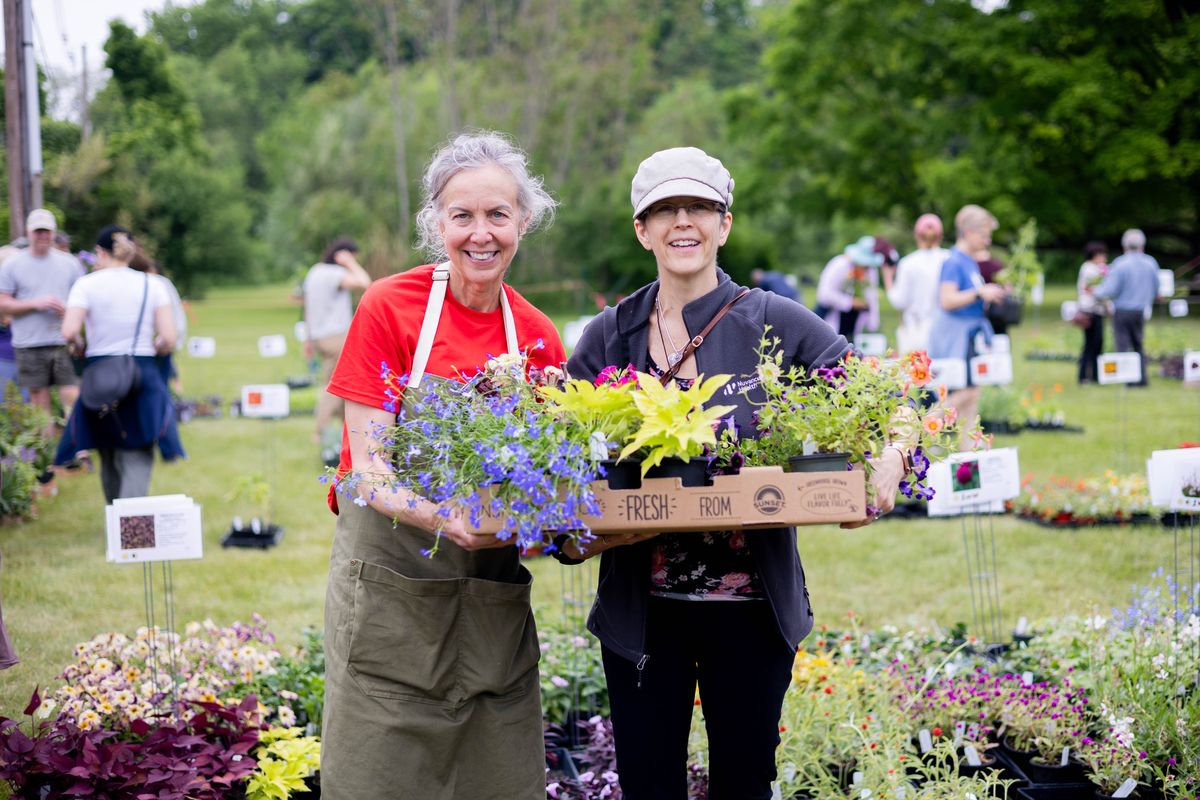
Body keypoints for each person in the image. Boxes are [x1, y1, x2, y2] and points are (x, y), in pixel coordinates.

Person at [559, 147, 908, 800]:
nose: (682, 221)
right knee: (648, 786)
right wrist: (569, 528)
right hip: (642, 618)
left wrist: (889, 461)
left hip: (750, 613)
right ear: (641, 229)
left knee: (744, 785)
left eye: (699, 207)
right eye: (664, 209)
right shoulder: (610, 334)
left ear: (725, 222)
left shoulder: (772, 320)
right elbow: (552, 449)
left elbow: (893, 398)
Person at [320, 132, 565, 800]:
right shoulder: (389, 307)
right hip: (389, 595)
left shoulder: (537, 336)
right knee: (378, 778)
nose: (480, 234)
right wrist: (441, 516)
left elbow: (546, 478)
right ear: (437, 224)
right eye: (462, 216)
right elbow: (368, 468)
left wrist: (546, 524)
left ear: (524, 222)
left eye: (497, 215)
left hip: (486, 604)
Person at [56, 226, 183, 502]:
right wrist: (155, 346)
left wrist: (79, 346)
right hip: (141, 371)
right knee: (138, 449)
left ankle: (117, 521)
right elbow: (169, 337)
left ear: (100, 252)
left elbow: (68, 332)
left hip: (101, 374)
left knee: (107, 448)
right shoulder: (153, 284)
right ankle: (132, 525)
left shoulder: (86, 284)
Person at [927, 204, 1008, 446]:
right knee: (968, 391)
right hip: (956, 336)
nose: (988, 239)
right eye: (985, 234)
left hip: (969, 334)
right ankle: (917, 431)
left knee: (972, 397)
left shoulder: (969, 261)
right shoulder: (953, 261)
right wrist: (980, 293)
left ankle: (971, 457)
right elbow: (947, 299)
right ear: (969, 232)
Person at [0, 209, 83, 439]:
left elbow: (82, 300)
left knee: (71, 395)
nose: (42, 236)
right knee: (39, 400)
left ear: (53, 233)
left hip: (61, 339)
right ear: (29, 232)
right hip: (28, 342)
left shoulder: (69, 264)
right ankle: (46, 453)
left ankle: (77, 447)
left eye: (46, 231)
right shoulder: (13, 265)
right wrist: (35, 304)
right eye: (38, 231)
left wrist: (67, 310)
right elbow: (3, 304)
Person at [302, 238, 371, 449]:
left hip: (319, 337)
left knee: (341, 382)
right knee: (333, 386)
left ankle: (346, 429)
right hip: (336, 337)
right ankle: (319, 432)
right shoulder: (334, 274)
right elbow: (365, 283)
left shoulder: (314, 271)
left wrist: (307, 338)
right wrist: (350, 263)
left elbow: (307, 307)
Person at [1095, 228, 1160, 387]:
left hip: (1123, 310)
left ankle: (1128, 380)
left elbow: (1110, 289)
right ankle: (1142, 379)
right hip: (1141, 310)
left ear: (1125, 245)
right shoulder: (1150, 262)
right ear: (1142, 245)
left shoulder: (1120, 263)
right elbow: (1156, 287)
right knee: (1138, 344)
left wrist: (1095, 291)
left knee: (1123, 345)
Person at [884, 214, 949, 355]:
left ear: (917, 235)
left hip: (915, 330)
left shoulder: (908, 263)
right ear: (940, 235)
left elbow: (899, 301)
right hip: (946, 329)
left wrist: (888, 278)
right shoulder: (949, 258)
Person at [815, 235, 882, 338]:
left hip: (853, 319)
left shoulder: (871, 271)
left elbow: (871, 297)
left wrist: (873, 325)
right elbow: (824, 294)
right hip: (828, 314)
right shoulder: (839, 265)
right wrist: (850, 302)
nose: (867, 269)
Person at [1076, 241, 1111, 384]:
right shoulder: (1090, 270)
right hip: (1092, 311)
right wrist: (1108, 306)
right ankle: (1088, 376)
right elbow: (1097, 292)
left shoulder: (1088, 268)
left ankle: (1091, 375)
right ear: (1095, 255)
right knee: (1093, 344)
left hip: (1092, 310)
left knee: (1093, 344)